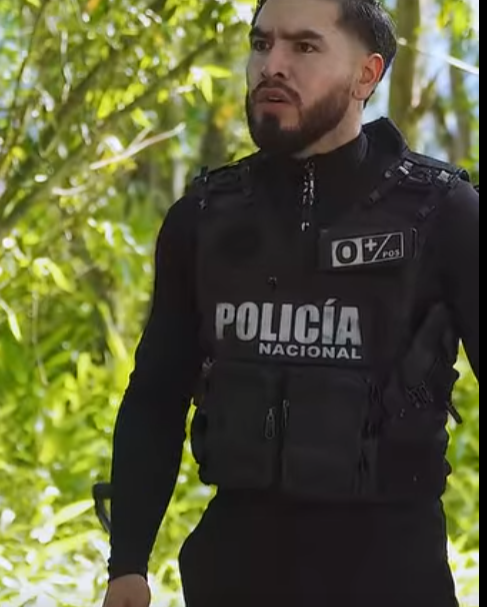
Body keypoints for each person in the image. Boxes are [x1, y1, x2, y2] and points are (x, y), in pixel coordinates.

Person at [102, 0, 479, 605]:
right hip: (232, 579)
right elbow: (155, 397)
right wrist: (127, 564)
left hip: (394, 580)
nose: (271, 66)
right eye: (261, 44)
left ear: (367, 75)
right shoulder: (203, 219)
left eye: (304, 47)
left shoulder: (443, 215)